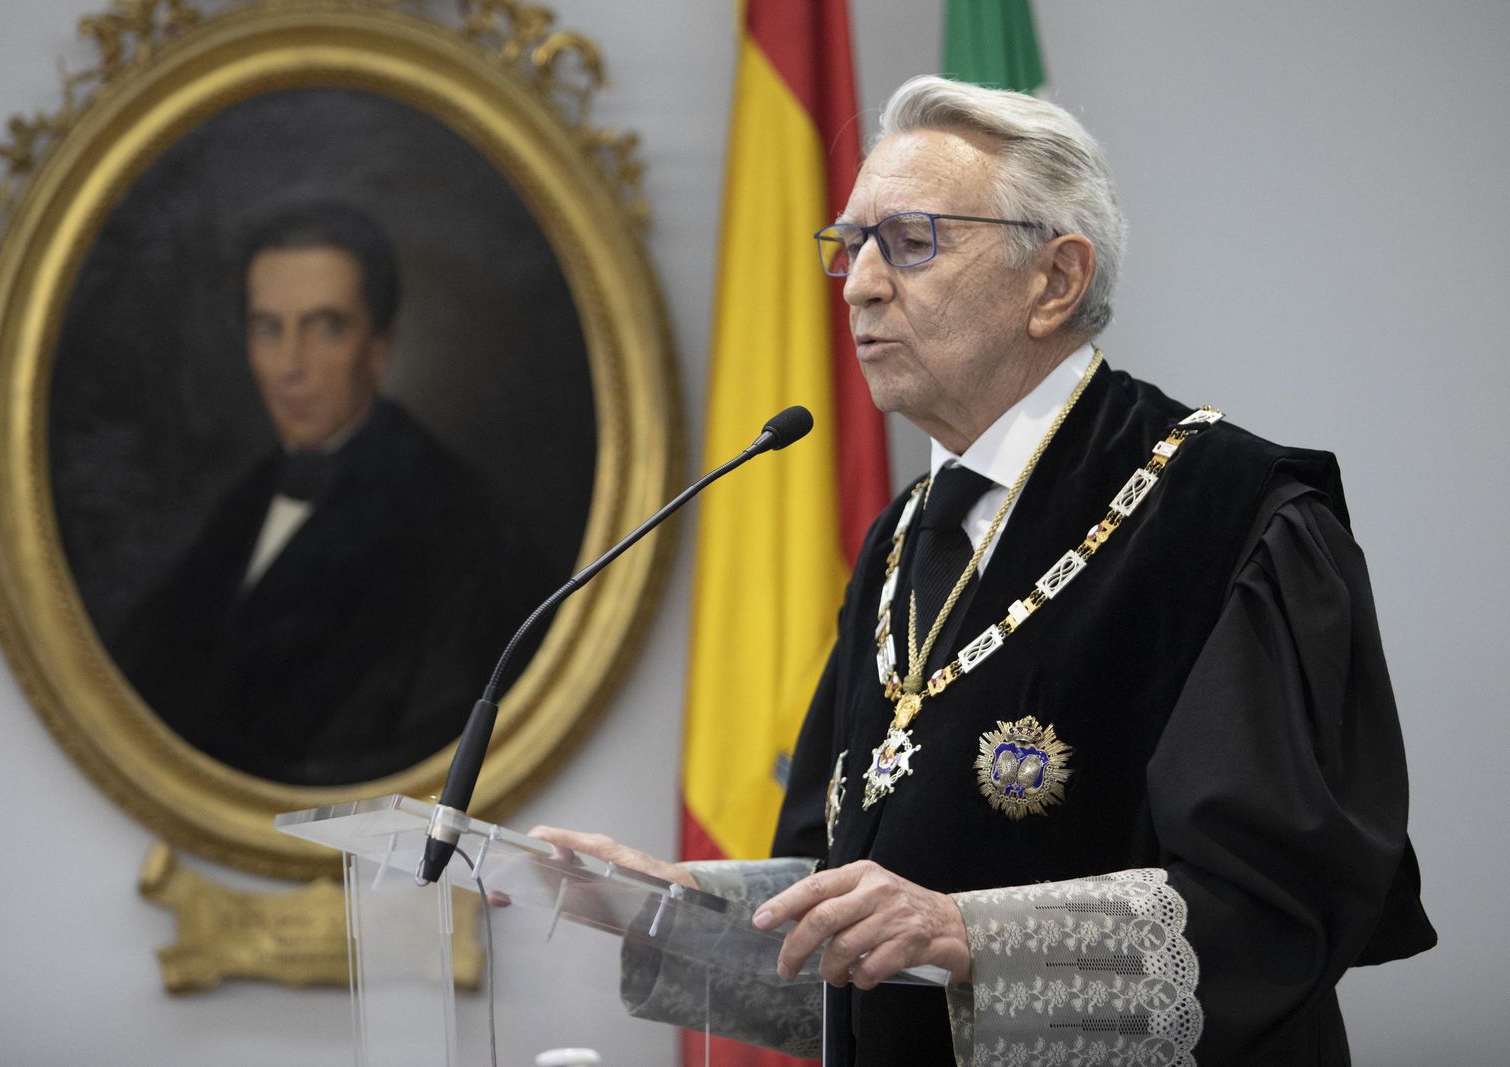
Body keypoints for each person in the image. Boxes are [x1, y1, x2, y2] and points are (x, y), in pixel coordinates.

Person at [534, 76, 1434, 1065]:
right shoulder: (898, 536)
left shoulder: (1233, 514)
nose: (862, 285)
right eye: (850, 245)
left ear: (1053, 280)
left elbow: (1279, 911)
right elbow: (847, 906)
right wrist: (667, 907)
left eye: (911, 241)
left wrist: (976, 940)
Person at [115, 202, 563, 786]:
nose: (289, 366)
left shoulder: (457, 527)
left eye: (325, 327)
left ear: (379, 349)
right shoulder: (243, 499)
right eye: (268, 328)